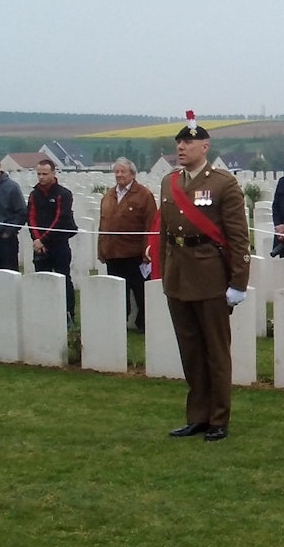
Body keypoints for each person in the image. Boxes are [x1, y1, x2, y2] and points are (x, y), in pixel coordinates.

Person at [159, 112, 250, 442]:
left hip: (210, 276)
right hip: (179, 276)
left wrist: (238, 282)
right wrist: (162, 271)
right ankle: (196, 415)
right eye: (179, 142)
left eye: (188, 142)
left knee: (215, 350)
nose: (181, 147)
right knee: (191, 350)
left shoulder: (222, 183)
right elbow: (165, 233)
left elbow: (238, 236)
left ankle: (218, 417)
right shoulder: (169, 182)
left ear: (205, 146)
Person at [97, 157, 157, 332]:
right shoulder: (109, 195)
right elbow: (103, 224)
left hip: (134, 253)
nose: (119, 175)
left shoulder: (143, 195)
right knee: (117, 292)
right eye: (116, 171)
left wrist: (147, 251)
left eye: (123, 171)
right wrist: (101, 249)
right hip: (112, 252)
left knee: (140, 291)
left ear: (132, 173)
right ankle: (117, 322)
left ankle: (144, 323)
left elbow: (150, 224)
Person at [28, 158, 78, 323]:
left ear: (54, 173)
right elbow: (31, 218)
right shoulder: (34, 194)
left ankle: (68, 313)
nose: (41, 177)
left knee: (63, 278)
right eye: (39, 174)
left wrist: (44, 240)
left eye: (44, 174)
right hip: (39, 246)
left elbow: (60, 219)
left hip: (58, 244)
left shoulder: (63, 194)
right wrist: (36, 239)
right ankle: (44, 313)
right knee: (41, 279)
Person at [0, 152, 28, 270]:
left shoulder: (12, 187)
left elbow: (21, 213)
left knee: (8, 274)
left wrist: (8, 232)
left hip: (5, 240)